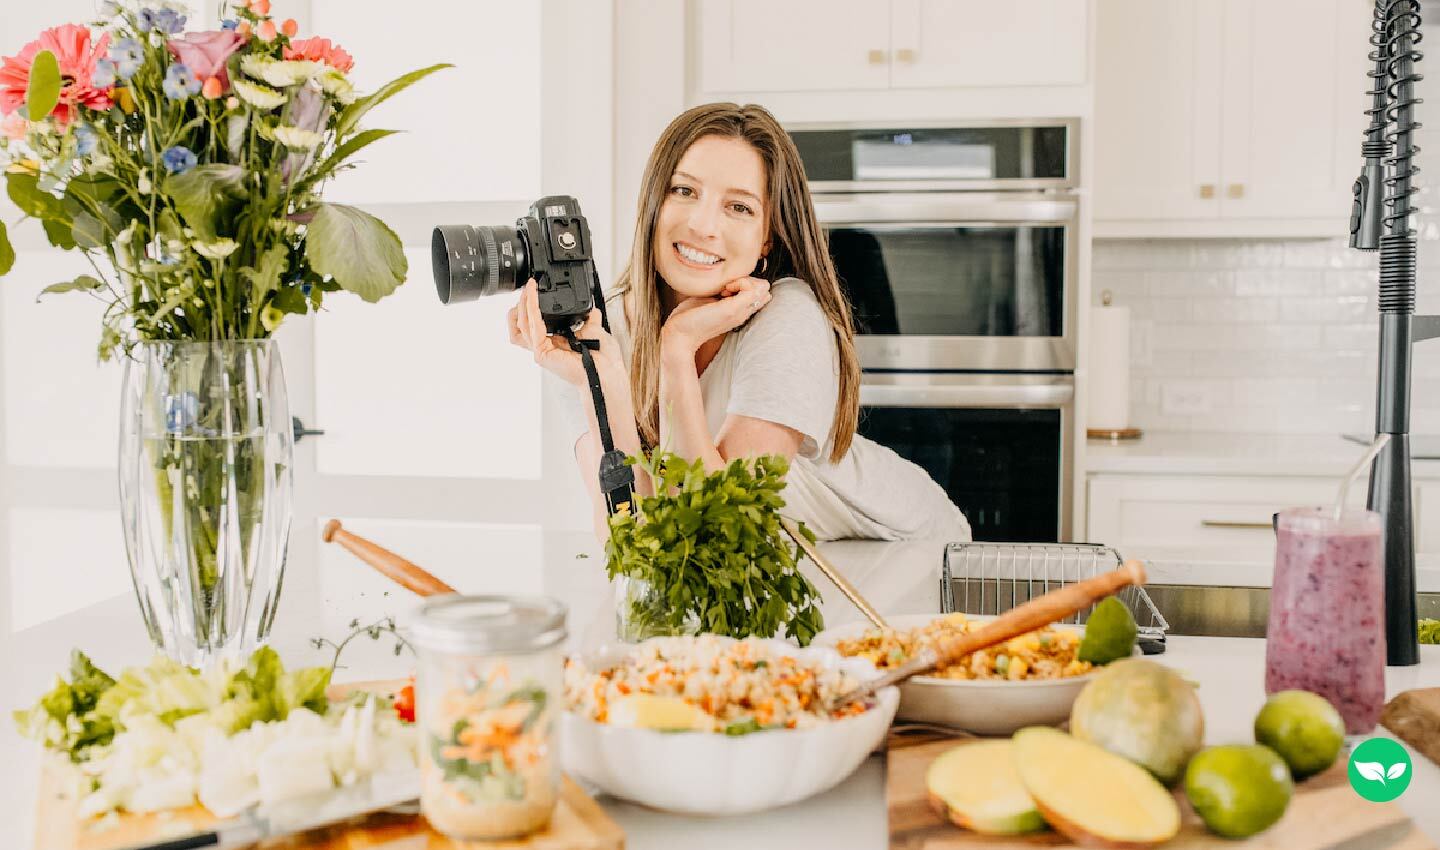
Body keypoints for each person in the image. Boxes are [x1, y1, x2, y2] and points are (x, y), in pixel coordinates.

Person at [508, 102, 972, 544]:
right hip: (789, 551)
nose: (703, 225)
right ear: (652, 203)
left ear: (766, 237)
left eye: (740, 207)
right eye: (683, 190)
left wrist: (677, 349)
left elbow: (715, 528)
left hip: (903, 547)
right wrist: (602, 383)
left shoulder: (786, 316)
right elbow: (633, 540)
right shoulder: (597, 329)